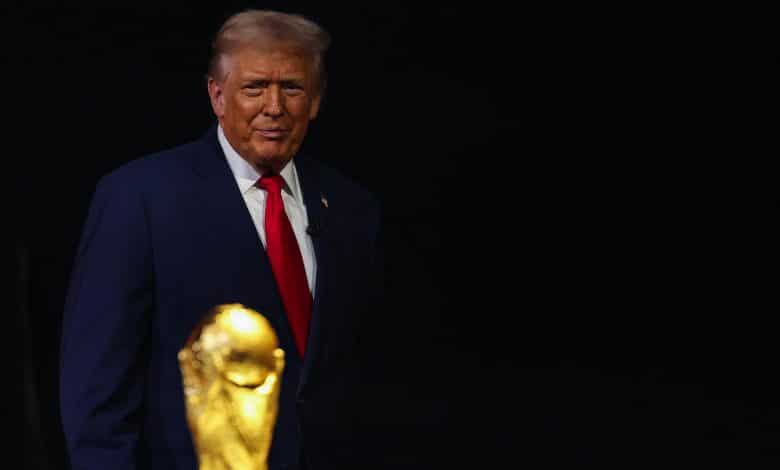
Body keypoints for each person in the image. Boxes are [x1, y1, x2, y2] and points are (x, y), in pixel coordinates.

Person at [60, 10, 383, 470]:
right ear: (217, 95)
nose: (274, 106)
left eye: (292, 88)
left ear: (314, 100)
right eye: (255, 87)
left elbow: (364, 376)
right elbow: (97, 387)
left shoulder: (351, 207)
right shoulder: (140, 199)